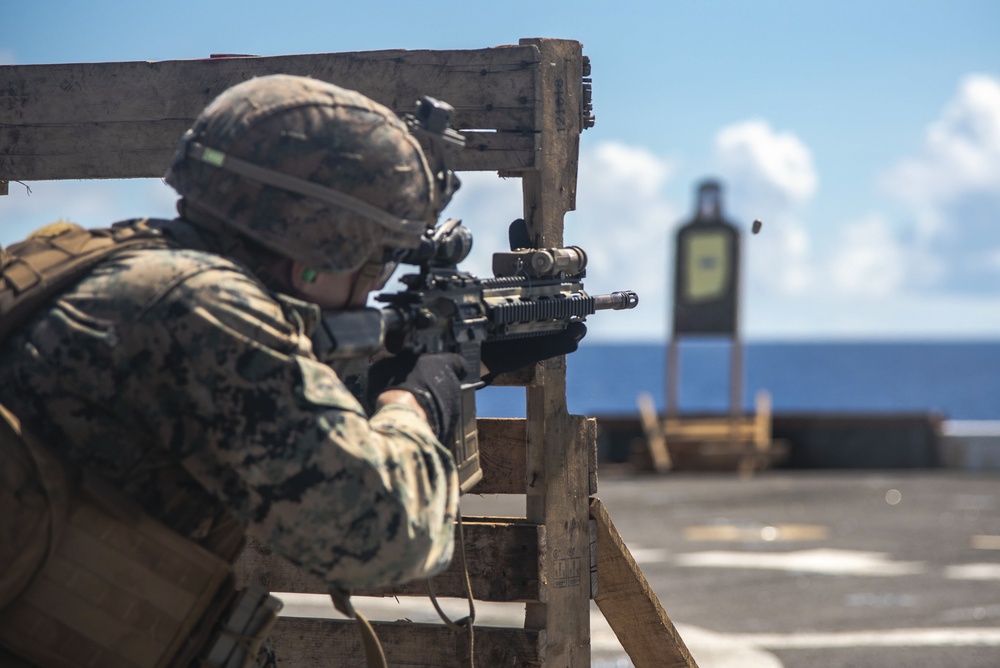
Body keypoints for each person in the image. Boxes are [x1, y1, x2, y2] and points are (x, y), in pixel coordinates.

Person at [0, 74, 583, 666]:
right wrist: (419, 400)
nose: (376, 283)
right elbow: (386, 536)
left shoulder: (121, 266)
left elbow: (242, 414)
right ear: (322, 244)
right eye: (379, 257)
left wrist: (439, 362)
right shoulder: (204, 309)